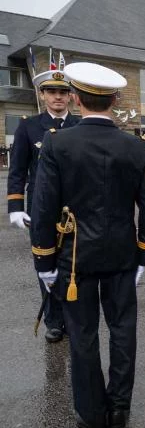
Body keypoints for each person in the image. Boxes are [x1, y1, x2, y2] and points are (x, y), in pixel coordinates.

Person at [31, 62, 145, 428]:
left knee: (83, 334)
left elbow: (44, 206)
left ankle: (91, 410)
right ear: (115, 100)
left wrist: (44, 261)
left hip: (74, 257)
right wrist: (144, 254)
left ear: (74, 97)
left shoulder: (57, 142)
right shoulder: (135, 146)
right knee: (122, 330)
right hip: (121, 252)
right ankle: (119, 406)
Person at [7, 69, 80, 343]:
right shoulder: (29, 126)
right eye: (52, 92)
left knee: (73, 264)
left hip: (74, 208)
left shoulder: (79, 125)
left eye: (63, 92)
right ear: (43, 95)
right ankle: (54, 320)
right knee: (45, 261)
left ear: (71, 96)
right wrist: (16, 206)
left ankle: (73, 318)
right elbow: (18, 169)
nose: (58, 97)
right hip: (40, 206)